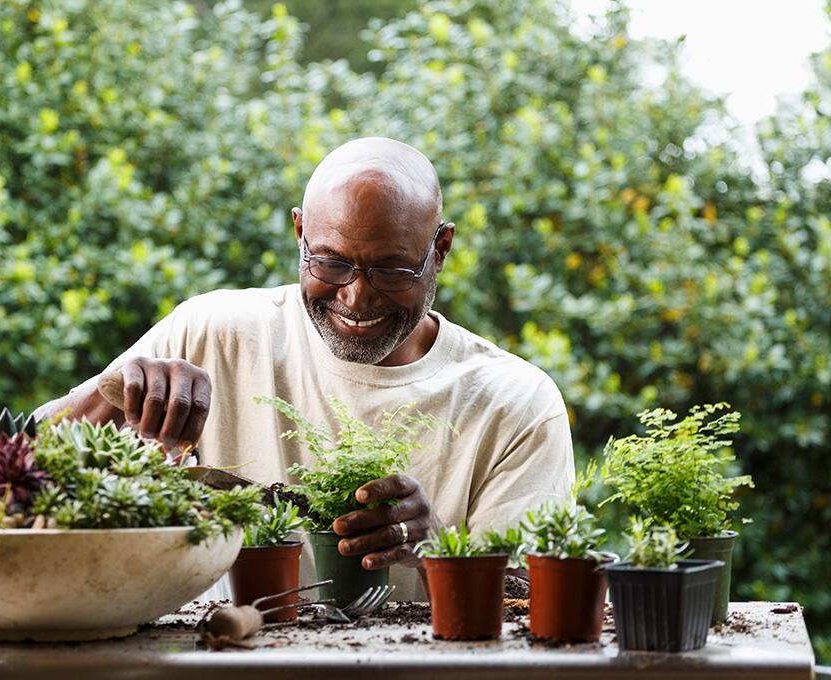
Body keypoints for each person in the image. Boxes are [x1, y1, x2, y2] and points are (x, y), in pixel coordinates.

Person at [36, 137, 574, 599]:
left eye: (392, 269)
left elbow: (537, 609)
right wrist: (113, 394)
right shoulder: (214, 332)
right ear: (299, 233)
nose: (356, 297)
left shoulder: (516, 402)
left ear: (440, 249)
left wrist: (438, 552)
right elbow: (20, 467)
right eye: (331, 262)